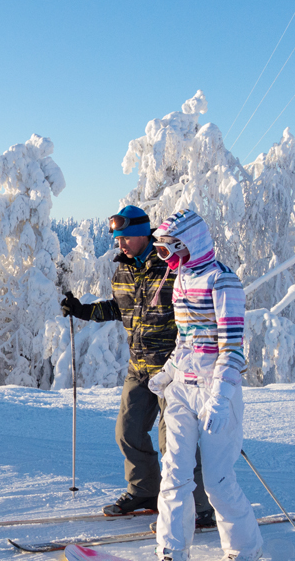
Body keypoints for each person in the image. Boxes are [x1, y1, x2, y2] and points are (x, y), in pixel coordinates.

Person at [61, 205, 214, 526]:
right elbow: (122, 309)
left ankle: (198, 507)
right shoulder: (124, 270)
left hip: (173, 370)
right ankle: (145, 490)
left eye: (126, 238)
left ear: (143, 235)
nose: (121, 244)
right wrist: (83, 311)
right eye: (117, 239)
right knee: (127, 432)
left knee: (175, 443)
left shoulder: (171, 266)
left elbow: (196, 306)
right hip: (139, 367)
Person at [146, 209, 263, 561]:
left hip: (215, 390)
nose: (166, 256)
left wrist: (221, 397)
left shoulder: (222, 280)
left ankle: (245, 546)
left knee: (217, 480)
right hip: (182, 389)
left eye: (170, 248)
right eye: (162, 249)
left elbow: (232, 347)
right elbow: (186, 339)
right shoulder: (181, 277)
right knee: (174, 473)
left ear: (191, 243)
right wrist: (169, 372)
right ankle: (172, 552)